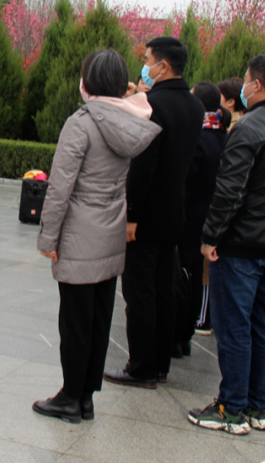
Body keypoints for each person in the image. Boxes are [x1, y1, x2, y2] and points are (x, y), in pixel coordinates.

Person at [32, 50, 162, 424]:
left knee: (75, 322)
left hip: (79, 234)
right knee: (99, 320)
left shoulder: (82, 123)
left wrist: (48, 239)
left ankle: (69, 398)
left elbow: (60, 187)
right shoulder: (129, 120)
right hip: (110, 232)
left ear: (87, 81)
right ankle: (86, 397)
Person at [188, 55, 265, 435]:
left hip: (243, 245)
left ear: (256, 85)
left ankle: (231, 407)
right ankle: (259, 406)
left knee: (234, 327)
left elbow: (229, 192)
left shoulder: (249, 128)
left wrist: (210, 237)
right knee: (263, 324)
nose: (243, 86)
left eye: (246, 80)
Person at [104, 36, 205, 389]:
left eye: (147, 60)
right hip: (174, 212)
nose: (144, 65)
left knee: (139, 292)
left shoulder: (151, 104)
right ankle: (161, 363)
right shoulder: (195, 106)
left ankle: (141, 366)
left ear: (162, 66)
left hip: (145, 215)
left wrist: (131, 216)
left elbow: (143, 164)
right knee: (164, 289)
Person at [173, 82, 230, 358]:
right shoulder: (222, 135)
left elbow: (185, 180)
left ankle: (178, 336)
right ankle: (186, 335)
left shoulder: (198, 137)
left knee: (183, 278)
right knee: (195, 277)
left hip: (190, 218)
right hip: (210, 217)